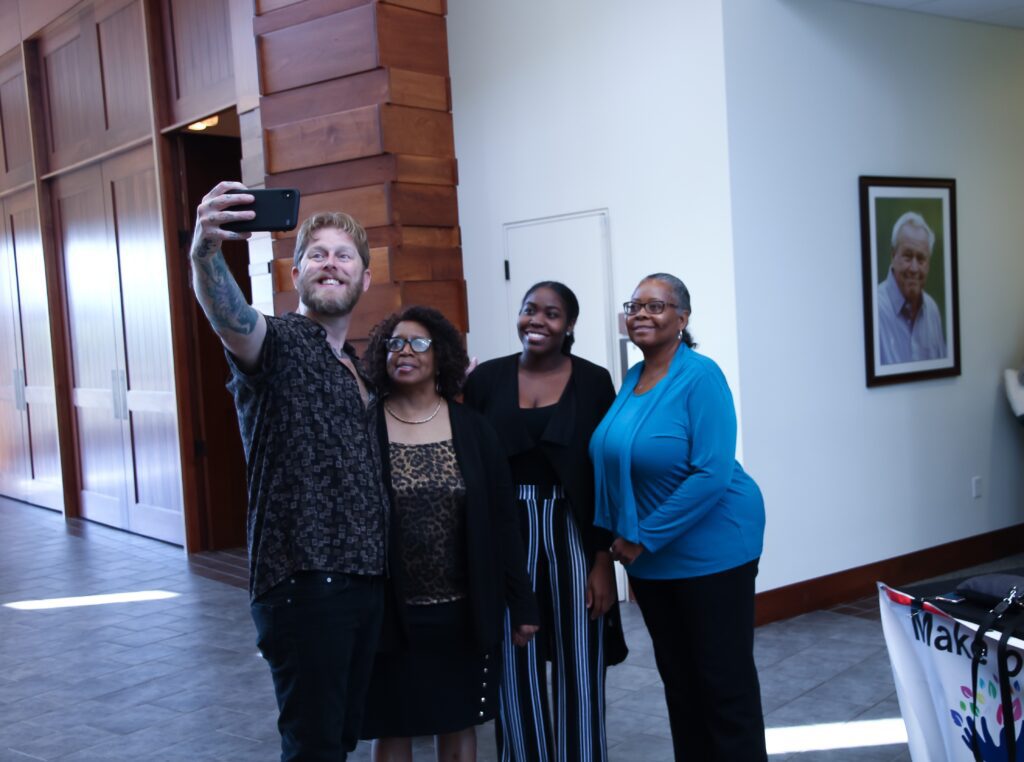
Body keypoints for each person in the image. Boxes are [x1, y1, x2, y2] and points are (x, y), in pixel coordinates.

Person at [189, 181, 389, 761]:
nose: (331, 263)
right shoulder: (275, 342)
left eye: (344, 255)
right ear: (295, 274)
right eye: (317, 254)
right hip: (305, 582)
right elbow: (228, 315)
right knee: (314, 750)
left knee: (339, 741)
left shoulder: (355, 367)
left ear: (364, 279)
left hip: (361, 581)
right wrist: (204, 250)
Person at [589, 273, 767, 761]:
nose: (641, 313)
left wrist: (642, 537)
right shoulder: (632, 378)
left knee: (723, 688)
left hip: (714, 551)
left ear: (682, 319)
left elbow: (710, 474)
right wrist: (615, 542)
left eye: (657, 305)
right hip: (652, 561)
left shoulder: (701, 376)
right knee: (681, 686)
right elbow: (611, 461)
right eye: (635, 305)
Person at [359, 305, 540, 762]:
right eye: (394, 343)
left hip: (462, 612)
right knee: (392, 725)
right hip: (388, 612)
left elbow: (503, 521)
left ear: (440, 357)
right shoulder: (363, 428)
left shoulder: (475, 430)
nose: (404, 351)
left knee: (458, 722)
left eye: (418, 343)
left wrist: (522, 604)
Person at [463, 281, 627, 762]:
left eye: (551, 314)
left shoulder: (594, 381)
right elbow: (467, 460)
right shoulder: (486, 379)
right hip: (504, 534)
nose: (537, 321)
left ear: (569, 325)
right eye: (529, 310)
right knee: (515, 660)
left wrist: (603, 560)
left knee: (581, 660)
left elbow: (603, 473)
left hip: (574, 530)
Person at [877, 211, 947, 364]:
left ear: (928, 264)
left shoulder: (932, 310)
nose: (914, 268)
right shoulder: (874, 309)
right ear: (893, 255)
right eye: (908, 256)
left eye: (921, 259)